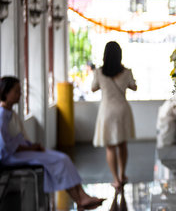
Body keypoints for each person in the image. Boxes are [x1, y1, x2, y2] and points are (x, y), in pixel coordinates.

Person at [0, 76, 105, 210]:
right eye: (16, 91)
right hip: (11, 157)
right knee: (60, 160)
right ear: (5, 92)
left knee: (63, 158)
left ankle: (81, 196)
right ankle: (80, 198)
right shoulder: (2, 115)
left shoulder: (9, 113)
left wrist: (31, 147)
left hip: (21, 151)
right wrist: (31, 148)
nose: (20, 94)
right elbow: (5, 147)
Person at [92, 41, 137, 190]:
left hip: (106, 111)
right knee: (122, 144)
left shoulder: (99, 72)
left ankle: (116, 179)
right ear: (120, 55)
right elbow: (134, 87)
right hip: (122, 110)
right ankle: (123, 174)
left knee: (110, 147)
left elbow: (93, 88)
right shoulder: (127, 71)